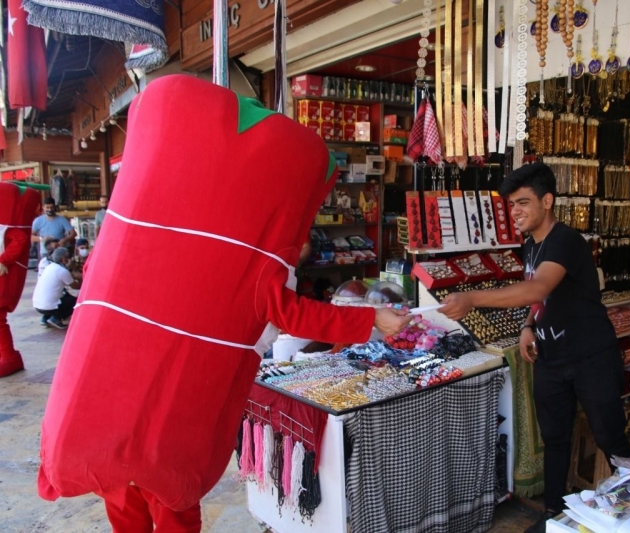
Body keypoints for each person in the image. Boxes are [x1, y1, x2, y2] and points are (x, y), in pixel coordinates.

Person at [37, 75, 412, 533]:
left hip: (99, 406)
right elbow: (295, 313)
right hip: (173, 420)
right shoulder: (252, 266)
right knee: (171, 504)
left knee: (122, 499)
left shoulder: (125, 242)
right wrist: (371, 318)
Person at [438, 162, 630, 533]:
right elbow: (540, 297)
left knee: (610, 437)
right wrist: (529, 326)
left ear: (547, 201)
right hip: (552, 358)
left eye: (523, 202)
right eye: (512, 205)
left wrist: (472, 298)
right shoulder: (531, 245)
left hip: (591, 356)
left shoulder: (565, 241)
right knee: (554, 438)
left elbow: (538, 287)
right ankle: (553, 515)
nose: (515, 211)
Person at [0, 181, 42, 377]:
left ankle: (9, 357)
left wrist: (4, 260)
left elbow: (20, 239)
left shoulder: (6, 227)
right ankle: (7, 355)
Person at [32, 248, 79, 330]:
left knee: (64, 294)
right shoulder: (62, 271)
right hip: (49, 307)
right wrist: (75, 271)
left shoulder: (49, 267)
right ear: (64, 259)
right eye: (68, 257)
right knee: (76, 301)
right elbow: (75, 286)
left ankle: (45, 318)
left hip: (37, 305)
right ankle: (56, 318)